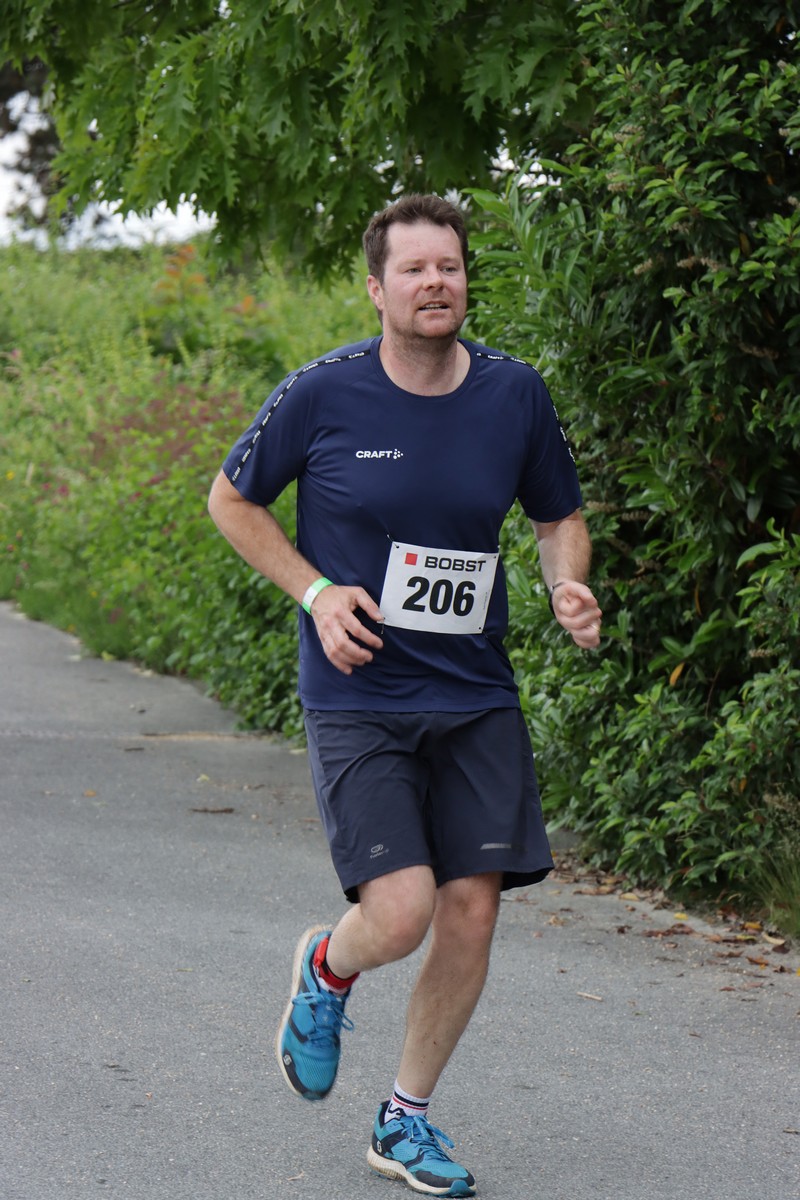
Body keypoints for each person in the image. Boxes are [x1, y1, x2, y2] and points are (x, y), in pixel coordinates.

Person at [208, 193, 601, 1198]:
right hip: (359, 692)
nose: (436, 282)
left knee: (470, 913)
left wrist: (566, 581)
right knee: (400, 913)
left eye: (450, 267)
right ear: (376, 290)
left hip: (475, 692)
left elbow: (558, 516)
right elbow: (231, 500)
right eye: (415, 268)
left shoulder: (513, 394)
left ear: (466, 282)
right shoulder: (322, 393)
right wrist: (315, 593)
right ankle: (328, 969)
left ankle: (404, 1119)